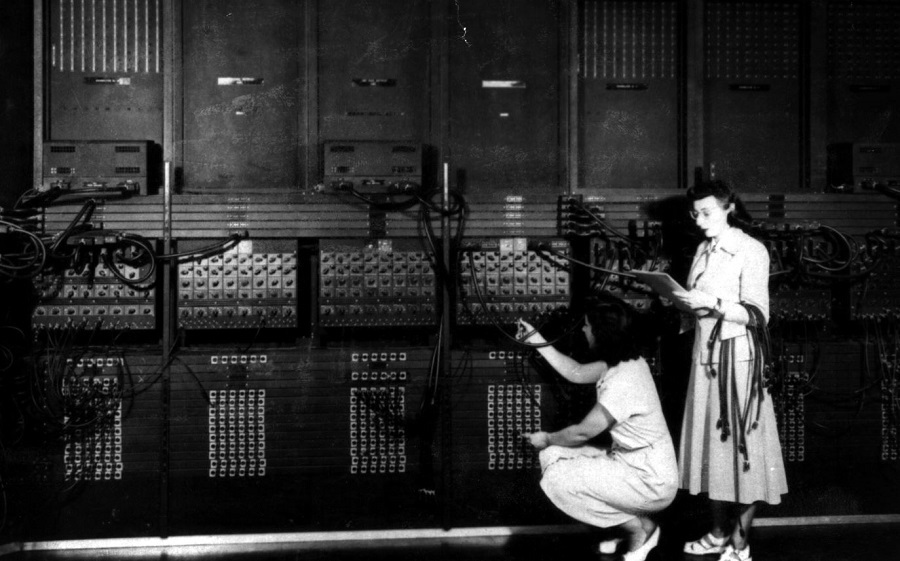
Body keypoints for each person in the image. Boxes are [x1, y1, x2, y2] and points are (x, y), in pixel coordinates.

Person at [672, 180, 788, 561]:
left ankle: (740, 543)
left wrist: (712, 303)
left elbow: (758, 314)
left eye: (706, 212)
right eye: (695, 214)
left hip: (738, 364)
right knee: (713, 452)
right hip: (705, 360)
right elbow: (697, 304)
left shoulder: (750, 250)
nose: (699, 220)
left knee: (744, 455)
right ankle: (719, 533)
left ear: (729, 208)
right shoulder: (703, 249)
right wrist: (681, 302)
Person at [517, 297, 678, 561]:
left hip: (649, 481)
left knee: (557, 479)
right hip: (633, 465)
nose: (584, 330)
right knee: (552, 456)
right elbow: (576, 372)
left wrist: (545, 437)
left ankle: (639, 530)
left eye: (588, 325)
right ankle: (628, 527)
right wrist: (535, 339)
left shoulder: (623, 380)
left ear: (602, 333)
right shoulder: (626, 362)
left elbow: (582, 432)